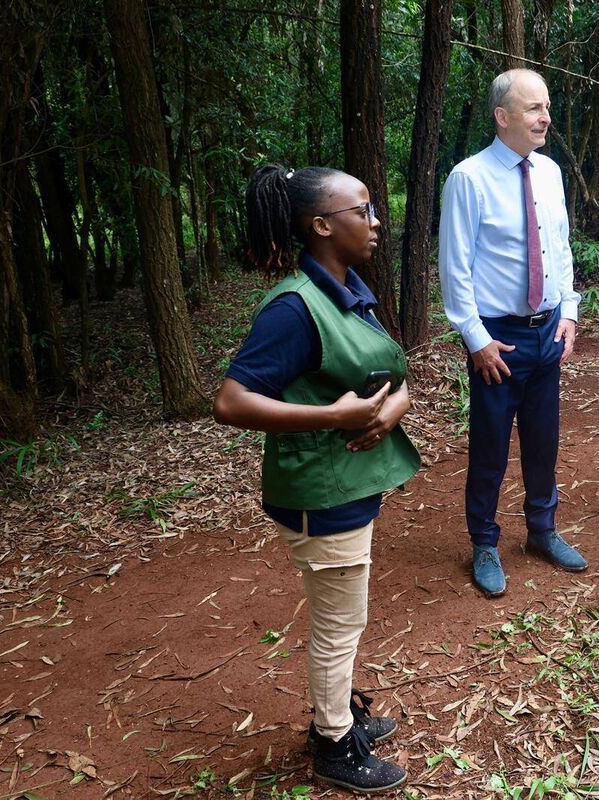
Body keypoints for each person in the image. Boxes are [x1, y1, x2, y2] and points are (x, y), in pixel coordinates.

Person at [213, 164, 420, 793]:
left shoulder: (345, 288)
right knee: (338, 624)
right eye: (363, 210)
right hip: (320, 489)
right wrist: (331, 416)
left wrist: (393, 408)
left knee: (344, 616)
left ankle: (338, 712)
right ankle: (333, 741)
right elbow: (230, 401)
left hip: (347, 480)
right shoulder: (293, 308)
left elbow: (388, 374)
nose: (376, 220)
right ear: (323, 224)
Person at [438, 68, 586, 598]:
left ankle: (542, 532)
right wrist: (475, 339)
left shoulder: (548, 172)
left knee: (544, 442)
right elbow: (455, 268)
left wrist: (568, 310)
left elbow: (560, 249)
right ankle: (484, 541)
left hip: (546, 332)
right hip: (497, 338)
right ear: (503, 118)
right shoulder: (469, 178)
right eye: (533, 109)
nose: (546, 117)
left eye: (546, 107)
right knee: (491, 447)